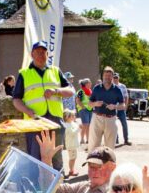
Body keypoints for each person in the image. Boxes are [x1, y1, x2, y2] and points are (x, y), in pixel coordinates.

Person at [12, 41, 73, 170]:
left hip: (55, 120)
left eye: (43, 52)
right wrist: (29, 112)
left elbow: (71, 91)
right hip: (34, 122)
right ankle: (38, 188)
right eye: (37, 52)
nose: (40, 55)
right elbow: (16, 100)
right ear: (32, 54)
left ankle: (58, 188)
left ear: (47, 54)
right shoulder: (24, 73)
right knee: (35, 159)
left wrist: (57, 91)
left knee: (56, 157)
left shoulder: (55, 71)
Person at [88, 66, 124, 151]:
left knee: (110, 147)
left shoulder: (117, 90)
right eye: (106, 75)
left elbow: (123, 105)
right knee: (93, 146)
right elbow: (89, 104)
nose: (107, 77)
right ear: (103, 76)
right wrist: (95, 103)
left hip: (111, 119)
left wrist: (115, 106)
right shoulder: (97, 88)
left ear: (112, 76)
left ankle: (108, 164)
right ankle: (92, 163)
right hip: (97, 118)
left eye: (109, 75)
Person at [112, 73, 130, 145]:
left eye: (117, 77)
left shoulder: (123, 86)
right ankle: (116, 140)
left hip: (121, 108)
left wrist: (125, 106)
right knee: (114, 125)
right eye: (114, 77)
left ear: (118, 78)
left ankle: (126, 140)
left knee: (124, 124)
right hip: (113, 108)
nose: (115, 79)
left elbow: (126, 97)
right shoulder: (111, 86)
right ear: (112, 78)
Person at [62, 109, 80, 177]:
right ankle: (71, 171)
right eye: (72, 116)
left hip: (73, 144)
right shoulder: (67, 125)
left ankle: (72, 170)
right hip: (71, 145)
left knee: (74, 157)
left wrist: (78, 127)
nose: (74, 116)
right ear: (67, 117)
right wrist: (79, 128)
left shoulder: (71, 124)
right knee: (72, 158)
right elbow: (72, 133)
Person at [75, 78, 92, 145]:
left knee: (89, 125)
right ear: (86, 84)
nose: (91, 84)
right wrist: (83, 107)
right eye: (89, 82)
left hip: (90, 109)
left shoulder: (90, 91)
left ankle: (88, 139)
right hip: (84, 110)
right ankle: (82, 139)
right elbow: (77, 100)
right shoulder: (80, 91)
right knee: (85, 125)